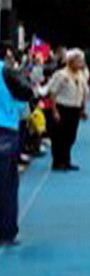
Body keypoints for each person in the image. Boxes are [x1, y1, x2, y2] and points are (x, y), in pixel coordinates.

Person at [1, 41, 35, 245]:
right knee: (6, 184)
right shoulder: (7, 72)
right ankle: (6, 231)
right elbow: (27, 93)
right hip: (5, 129)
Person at [44, 48, 89, 171]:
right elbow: (53, 92)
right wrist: (54, 111)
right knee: (59, 136)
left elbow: (84, 92)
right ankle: (57, 161)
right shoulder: (61, 74)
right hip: (63, 107)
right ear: (71, 61)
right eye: (78, 61)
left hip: (75, 108)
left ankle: (66, 160)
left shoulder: (81, 75)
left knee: (71, 136)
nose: (81, 63)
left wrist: (84, 109)